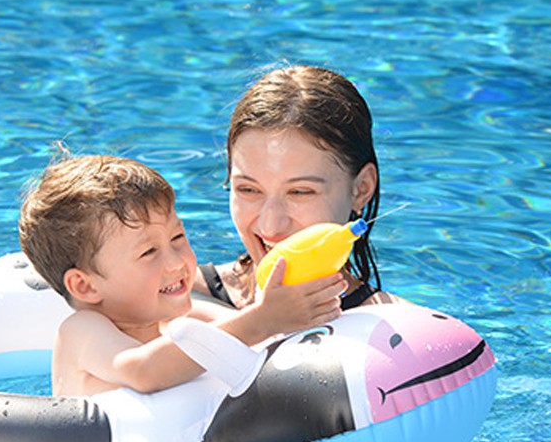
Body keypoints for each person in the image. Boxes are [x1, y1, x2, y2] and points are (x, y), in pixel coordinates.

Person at [19, 153, 346, 397]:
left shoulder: (187, 316)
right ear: (85, 285)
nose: (177, 262)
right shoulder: (82, 332)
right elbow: (144, 371)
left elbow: (257, 336)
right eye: (148, 252)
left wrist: (286, 308)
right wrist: (263, 319)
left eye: (178, 238)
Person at [196, 65, 401, 310]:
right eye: (248, 189)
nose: (270, 225)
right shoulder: (173, 301)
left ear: (361, 189)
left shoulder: (408, 333)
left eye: (300, 192)